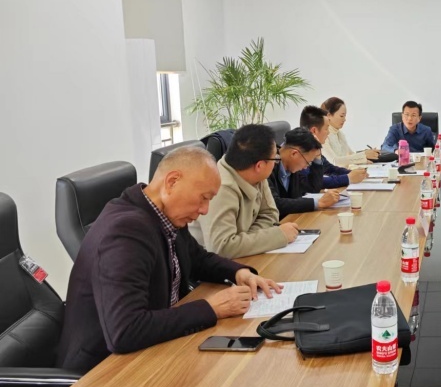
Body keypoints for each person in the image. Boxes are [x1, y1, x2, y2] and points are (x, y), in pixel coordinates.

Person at [56, 145, 282, 373]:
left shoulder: (164, 213)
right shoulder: (125, 231)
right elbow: (125, 330)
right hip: (104, 372)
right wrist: (211, 308)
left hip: (158, 347)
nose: (205, 210)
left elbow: (197, 258)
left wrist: (238, 272)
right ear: (172, 182)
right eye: (203, 198)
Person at [190, 124, 299, 258]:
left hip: (239, 258)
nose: (276, 163)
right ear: (259, 165)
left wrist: (244, 240)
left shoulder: (256, 175)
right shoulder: (220, 188)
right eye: (275, 158)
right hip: (206, 267)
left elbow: (270, 214)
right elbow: (221, 247)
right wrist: (279, 236)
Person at [267, 127, 342, 215]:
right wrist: (319, 203)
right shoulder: (268, 165)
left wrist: (317, 157)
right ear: (294, 154)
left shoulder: (293, 166)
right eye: (307, 162)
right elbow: (274, 203)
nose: (306, 167)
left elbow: (313, 188)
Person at [300, 105, 367, 190]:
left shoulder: (313, 148)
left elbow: (330, 169)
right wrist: (348, 178)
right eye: (326, 129)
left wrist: (355, 173)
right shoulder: (300, 152)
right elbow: (314, 182)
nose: (328, 133)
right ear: (314, 131)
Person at [321, 96, 379, 168]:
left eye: (345, 116)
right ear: (329, 115)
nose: (344, 119)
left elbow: (351, 155)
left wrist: (366, 157)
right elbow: (334, 161)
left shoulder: (340, 134)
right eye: (341, 116)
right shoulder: (322, 135)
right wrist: (363, 156)